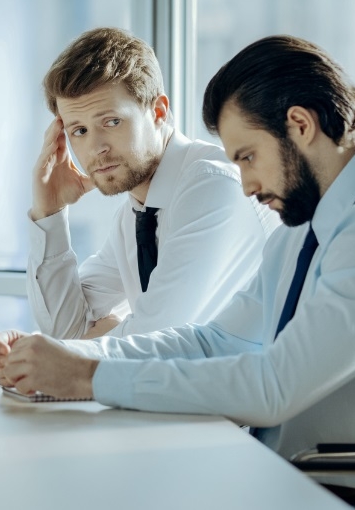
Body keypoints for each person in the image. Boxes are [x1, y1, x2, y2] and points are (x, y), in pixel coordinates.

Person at [0, 35, 355, 459]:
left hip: (343, 487)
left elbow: (274, 386)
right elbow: (214, 341)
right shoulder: (310, 223)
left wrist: (86, 376)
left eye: (247, 157)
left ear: (300, 126)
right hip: (276, 466)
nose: (245, 185)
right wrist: (64, 358)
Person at [27, 27, 277, 339]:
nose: (95, 148)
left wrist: (100, 338)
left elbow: (156, 338)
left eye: (112, 122)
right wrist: (49, 211)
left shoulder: (211, 185)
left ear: (158, 111)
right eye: (79, 131)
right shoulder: (134, 216)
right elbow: (63, 331)